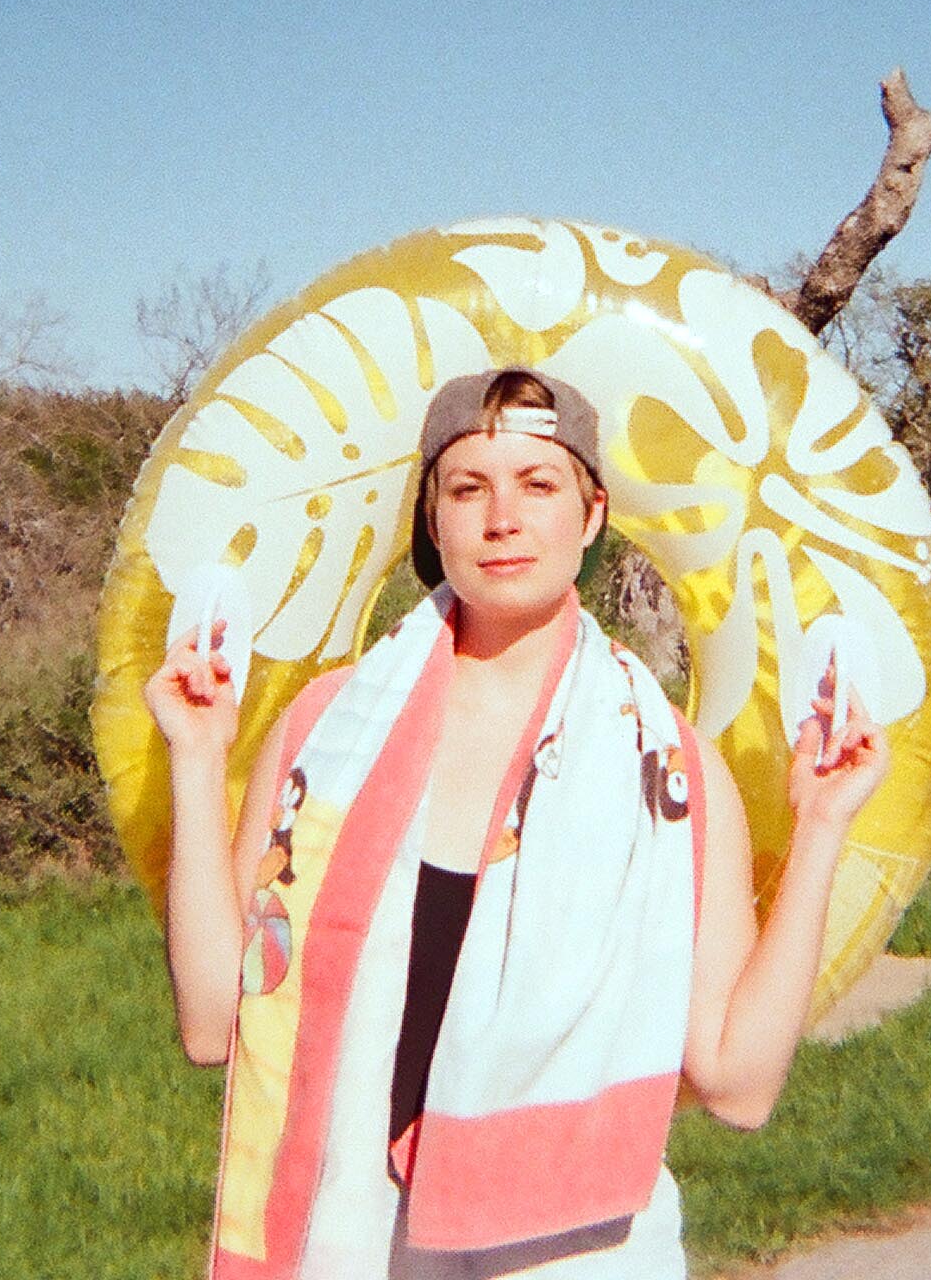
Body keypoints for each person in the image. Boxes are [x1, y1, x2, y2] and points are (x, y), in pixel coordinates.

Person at [147, 365, 889, 1279]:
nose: (503, 518)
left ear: (591, 513)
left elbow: (739, 1084)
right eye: (468, 488)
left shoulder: (670, 775)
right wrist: (195, 757)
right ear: (434, 522)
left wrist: (821, 824)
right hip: (351, 1245)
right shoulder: (326, 735)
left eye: (539, 484)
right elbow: (212, 1024)